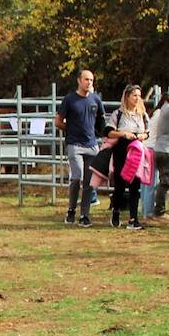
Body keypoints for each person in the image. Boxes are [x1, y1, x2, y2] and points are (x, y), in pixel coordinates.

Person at [56, 70, 104, 227]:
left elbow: (100, 122)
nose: (89, 82)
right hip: (74, 144)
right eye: (86, 79)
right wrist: (70, 130)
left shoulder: (96, 99)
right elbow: (58, 121)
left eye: (91, 80)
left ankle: (84, 214)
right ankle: (71, 209)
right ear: (79, 80)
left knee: (90, 182)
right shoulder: (70, 100)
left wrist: (101, 136)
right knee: (78, 176)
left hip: (91, 145)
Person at [104, 85, 151, 230]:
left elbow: (148, 131)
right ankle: (116, 210)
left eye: (139, 95)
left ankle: (133, 219)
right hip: (122, 151)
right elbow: (108, 132)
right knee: (120, 185)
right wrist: (124, 134)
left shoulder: (142, 115)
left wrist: (143, 135)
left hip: (137, 151)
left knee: (135, 185)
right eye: (134, 95)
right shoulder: (118, 114)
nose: (137, 99)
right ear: (127, 97)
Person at [146, 88, 169, 219]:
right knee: (166, 182)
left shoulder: (166, 108)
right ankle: (159, 211)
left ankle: (160, 208)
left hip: (162, 149)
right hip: (165, 150)